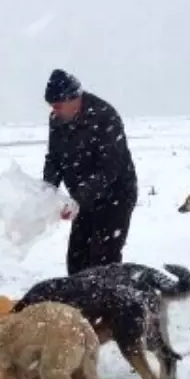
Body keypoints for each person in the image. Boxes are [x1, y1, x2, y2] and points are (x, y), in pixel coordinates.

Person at [41, 68, 139, 275]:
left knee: (103, 259)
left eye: (58, 106)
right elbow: (54, 158)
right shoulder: (57, 120)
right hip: (84, 198)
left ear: (73, 99)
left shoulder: (105, 116)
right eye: (52, 106)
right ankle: (78, 304)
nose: (54, 111)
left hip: (115, 196)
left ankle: (108, 304)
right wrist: (48, 190)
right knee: (77, 258)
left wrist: (78, 198)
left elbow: (110, 168)